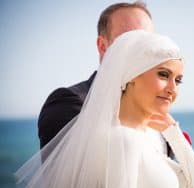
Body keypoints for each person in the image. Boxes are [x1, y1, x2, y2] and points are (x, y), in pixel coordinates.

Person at [16, 30, 194, 188]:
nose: (172, 89)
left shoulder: (143, 138)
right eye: (163, 74)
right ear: (132, 75)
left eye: (178, 80)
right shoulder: (122, 140)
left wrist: (173, 133)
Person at [38, 2, 154, 149]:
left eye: (148, 43)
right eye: (129, 40)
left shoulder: (153, 108)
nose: (141, 50)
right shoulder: (67, 102)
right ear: (102, 46)